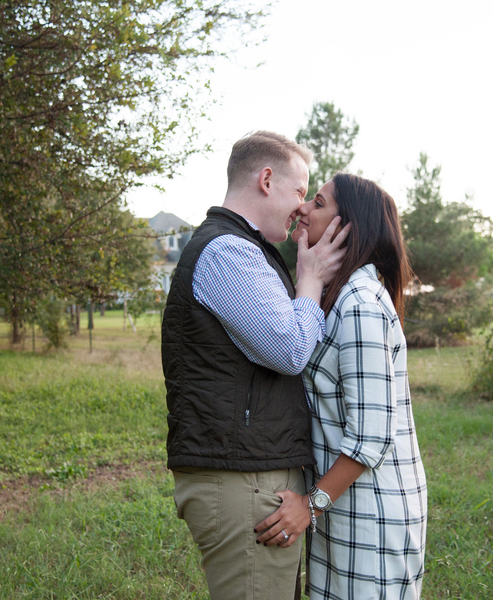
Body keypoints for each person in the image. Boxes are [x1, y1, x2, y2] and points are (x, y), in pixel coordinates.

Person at [161, 130, 350, 600]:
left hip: (249, 474)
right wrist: (309, 279)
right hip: (242, 480)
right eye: (299, 192)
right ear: (266, 179)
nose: (302, 208)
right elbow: (289, 350)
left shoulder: (243, 249)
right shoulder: (230, 251)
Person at [254, 173, 428, 599]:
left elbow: (371, 436)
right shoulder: (341, 296)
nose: (303, 209)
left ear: (345, 226)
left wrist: (308, 506)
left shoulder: (360, 304)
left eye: (317, 202)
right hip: (344, 506)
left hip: (370, 513)